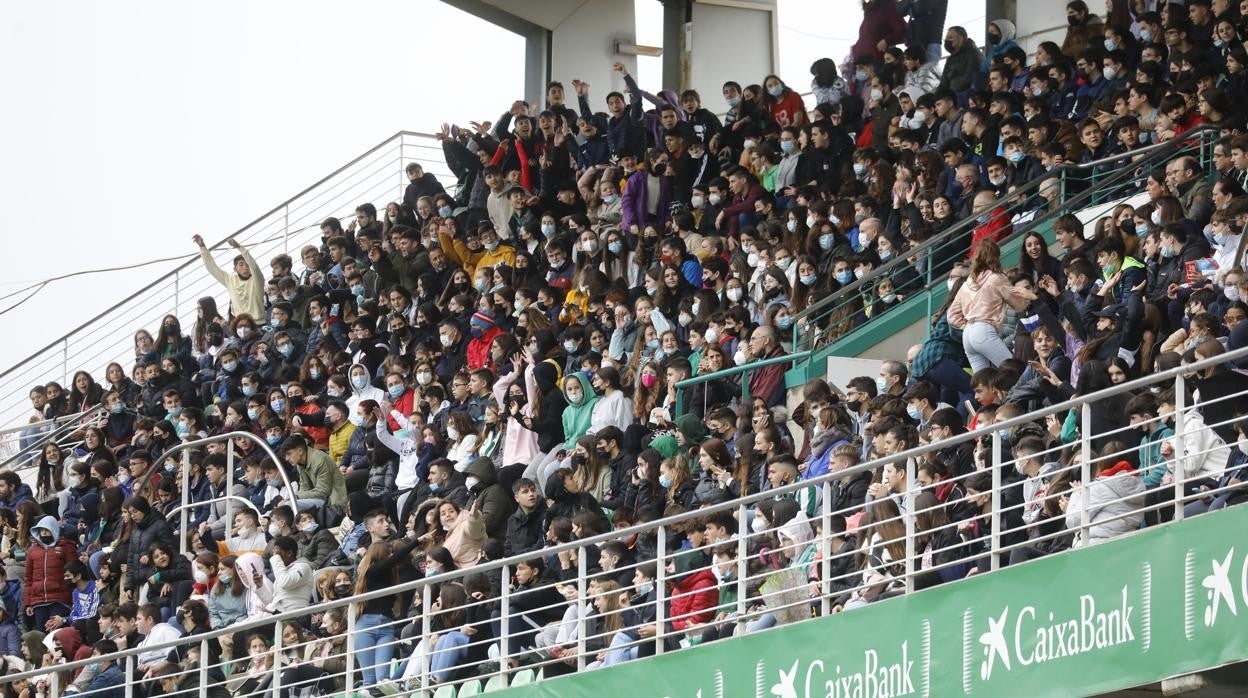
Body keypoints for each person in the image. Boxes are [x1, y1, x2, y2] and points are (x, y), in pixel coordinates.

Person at [192, 235, 266, 322]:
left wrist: (239, 247)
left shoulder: (257, 280)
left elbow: (255, 267)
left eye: (247, 265)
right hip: (239, 325)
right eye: (241, 264)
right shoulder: (230, 279)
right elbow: (212, 268)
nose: (245, 267)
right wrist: (202, 247)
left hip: (258, 324)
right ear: (235, 269)